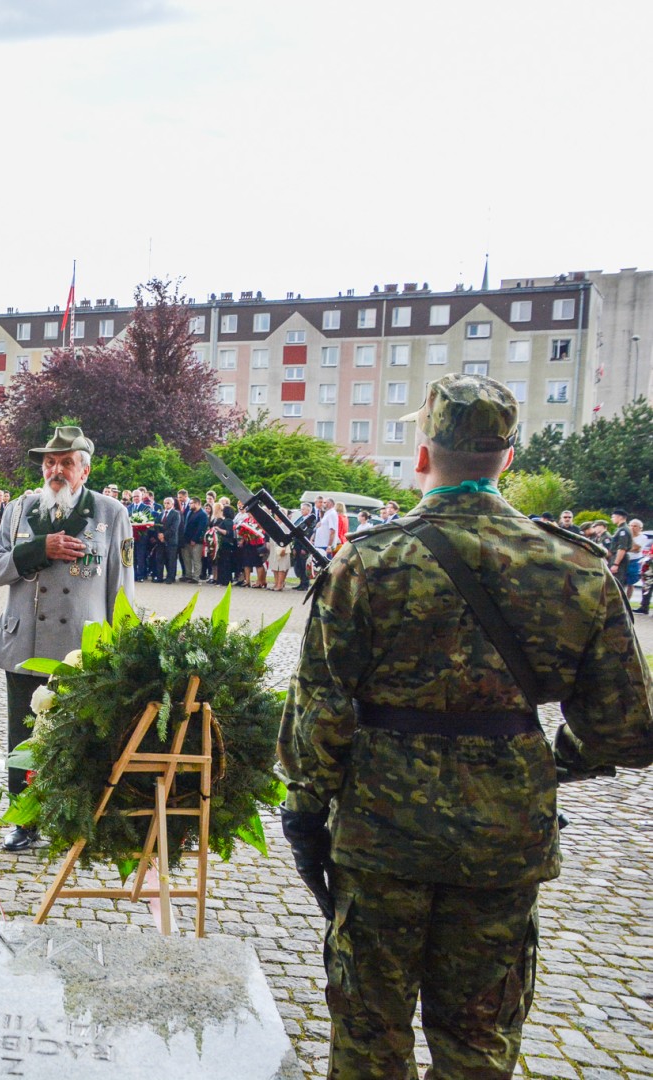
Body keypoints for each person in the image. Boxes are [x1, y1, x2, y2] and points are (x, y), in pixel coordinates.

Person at [279, 373, 653, 1078]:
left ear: (423, 454)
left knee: (370, 1036)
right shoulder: (576, 567)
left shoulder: (370, 560)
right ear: (508, 457)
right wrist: (545, 761)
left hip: (382, 837)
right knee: (478, 1038)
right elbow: (626, 728)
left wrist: (305, 807)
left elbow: (320, 715)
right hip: (503, 840)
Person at [0, 426, 135, 851]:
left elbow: (122, 590)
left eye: (66, 463)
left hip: (79, 648)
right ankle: (25, 820)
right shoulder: (18, 510)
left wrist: (119, 649)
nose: (56, 471)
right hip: (25, 643)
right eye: (50, 463)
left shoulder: (111, 514)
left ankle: (77, 823)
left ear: (83, 470)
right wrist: (40, 549)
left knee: (81, 737)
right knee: (23, 735)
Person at [179, 490, 208, 582]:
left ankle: (196, 577)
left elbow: (201, 528)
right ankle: (188, 575)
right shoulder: (190, 512)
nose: (189, 505)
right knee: (186, 558)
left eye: (191, 503)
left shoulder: (202, 514)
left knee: (196, 559)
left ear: (197, 504)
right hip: (186, 539)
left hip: (196, 541)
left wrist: (195, 539)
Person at [607, 509, 634, 594]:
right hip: (616, 557)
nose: (612, 519)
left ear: (620, 517)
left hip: (619, 558)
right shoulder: (620, 529)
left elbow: (622, 548)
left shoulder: (623, 530)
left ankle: (617, 605)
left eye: (613, 517)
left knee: (617, 583)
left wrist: (616, 564)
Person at [158, 495, 182, 584]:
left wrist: (164, 535)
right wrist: (159, 535)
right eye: (165, 503)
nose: (166, 505)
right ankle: (159, 577)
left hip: (171, 540)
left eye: (168, 503)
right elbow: (157, 525)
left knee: (171, 560)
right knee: (160, 558)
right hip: (161, 541)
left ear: (172, 504)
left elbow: (174, 528)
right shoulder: (161, 513)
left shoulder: (176, 514)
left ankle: (170, 577)